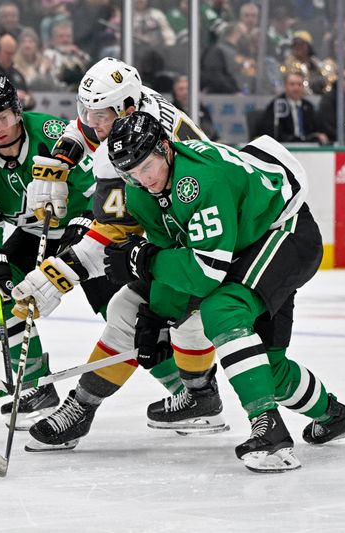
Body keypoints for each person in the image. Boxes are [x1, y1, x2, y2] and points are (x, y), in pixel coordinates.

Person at [103, 111, 345, 472]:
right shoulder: (140, 194)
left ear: (165, 148)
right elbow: (171, 252)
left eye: (147, 165)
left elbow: (204, 274)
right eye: (130, 172)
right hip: (246, 243)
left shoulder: (200, 180)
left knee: (222, 309)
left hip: (285, 232)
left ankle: (270, 431)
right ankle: (336, 416)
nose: (142, 178)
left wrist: (145, 262)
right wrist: (159, 314)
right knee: (268, 368)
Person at [12, 57, 226, 452]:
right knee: (128, 312)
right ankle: (197, 399)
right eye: (87, 110)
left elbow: (113, 233)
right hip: (179, 232)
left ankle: (201, 399)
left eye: (101, 114)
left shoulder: (131, 149)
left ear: (127, 108)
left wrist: (56, 277)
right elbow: (84, 129)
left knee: (179, 320)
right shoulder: (134, 113)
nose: (92, 122)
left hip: (206, 244)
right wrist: (60, 163)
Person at [0, 74, 121, 429]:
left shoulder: (54, 135)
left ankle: (191, 388)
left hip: (86, 230)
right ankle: (35, 383)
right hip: (33, 233)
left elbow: (98, 190)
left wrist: (86, 225)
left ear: (17, 112)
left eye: (2, 118)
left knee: (119, 308)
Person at [256, 70, 327, 144]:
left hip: (306, 147)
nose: (296, 88)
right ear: (285, 86)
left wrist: (318, 135)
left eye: (299, 85)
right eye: (292, 84)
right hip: (284, 147)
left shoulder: (308, 106)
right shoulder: (278, 104)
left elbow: (316, 129)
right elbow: (272, 131)